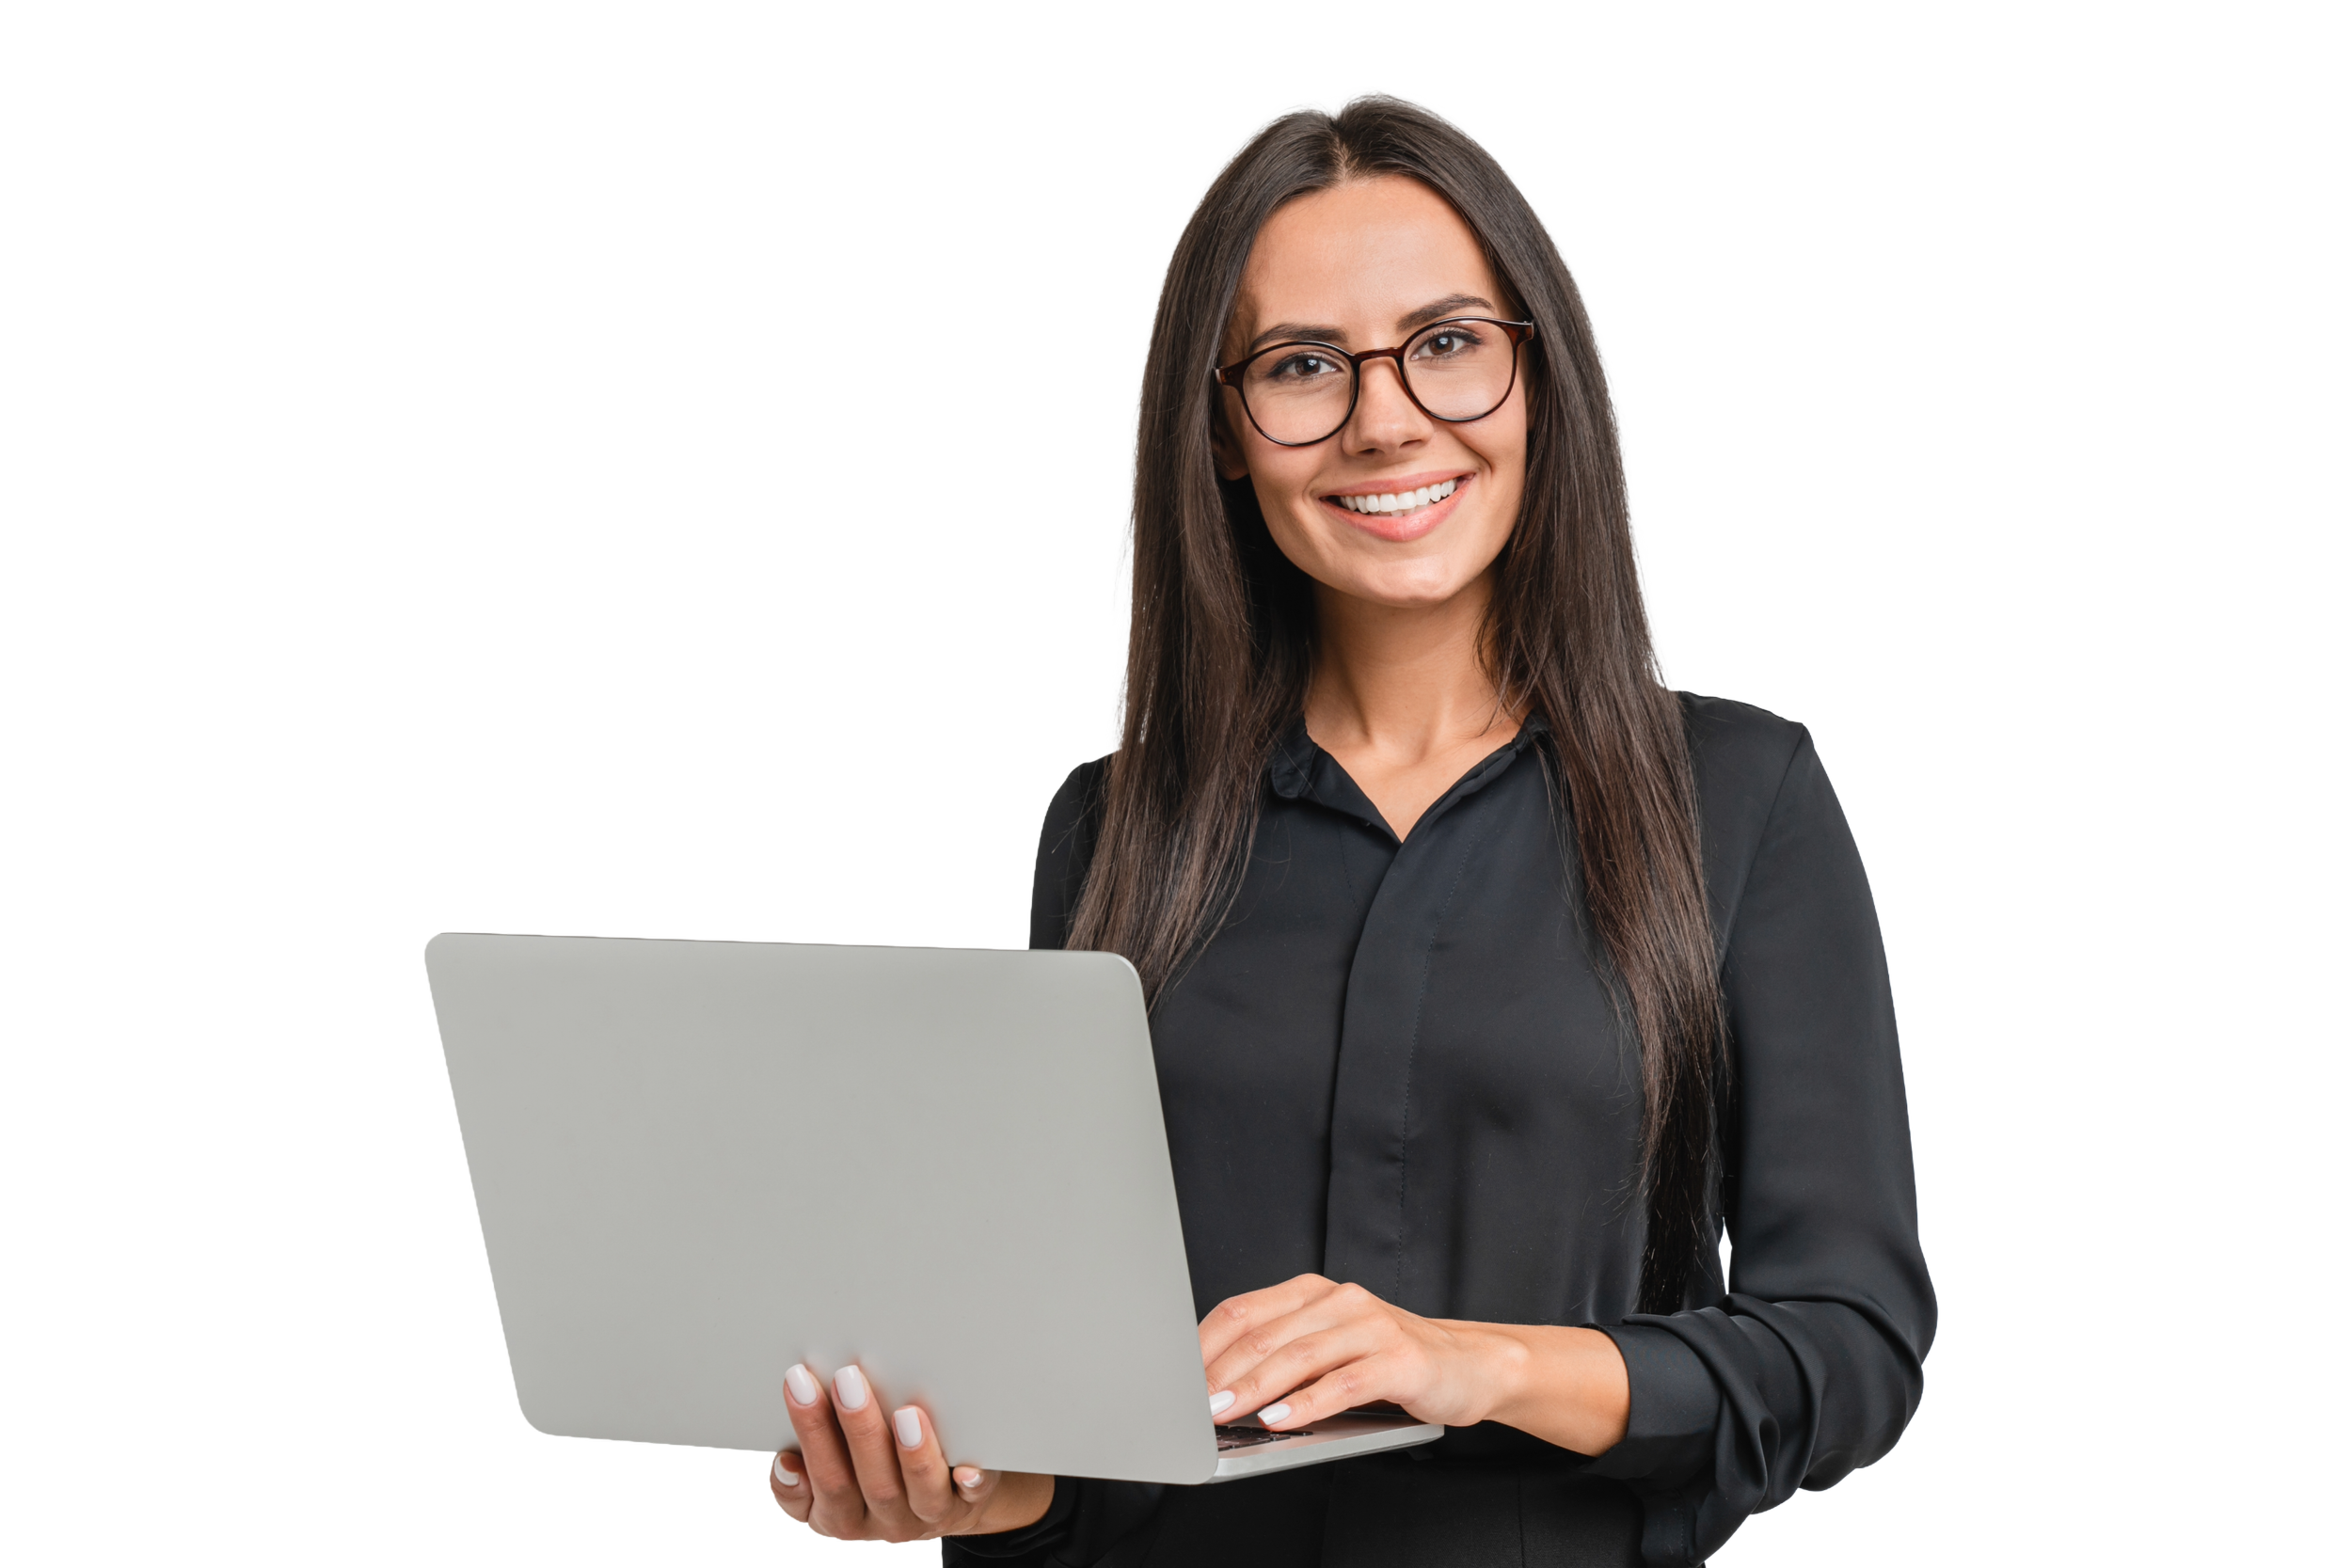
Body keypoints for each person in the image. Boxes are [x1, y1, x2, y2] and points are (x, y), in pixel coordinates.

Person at [762, 87, 1939, 1567]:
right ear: (1225, 436)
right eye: (1305, 364)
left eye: (1447, 344)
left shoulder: (1741, 798)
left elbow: (1852, 1350)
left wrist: (1475, 1361)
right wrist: (975, 1491)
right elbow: (1092, 1414)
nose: (1387, 419)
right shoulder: (1114, 830)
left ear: (1540, 380)